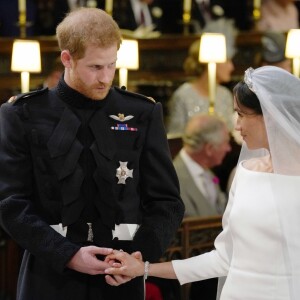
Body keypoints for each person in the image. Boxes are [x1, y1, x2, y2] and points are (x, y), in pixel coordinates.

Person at [0, 7, 184, 300]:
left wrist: (138, 256)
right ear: (67, 59)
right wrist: (67, 254)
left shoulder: (142, 113)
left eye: (112, 65)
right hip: (48, 276)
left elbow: (167, 202)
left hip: (119, 278)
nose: (106, 77)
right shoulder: (24, 114)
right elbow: (10, 205)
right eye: (96, 67)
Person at [104, 65, 300, 300]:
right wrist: (144, 269)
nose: (236, 126)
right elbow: (223, 258)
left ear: (269, 115)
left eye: (241, 115)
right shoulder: (244, 173)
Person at [166, 36, 235, 135]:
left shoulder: (225, 95)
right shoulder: (183, 95)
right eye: (227, 61)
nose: (231, 67)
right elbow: (175, 136)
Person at [174, 113, 231, 217]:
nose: (228, 148)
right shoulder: (172, 180)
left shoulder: (208, 171)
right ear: (209, 148)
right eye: (226, 142)